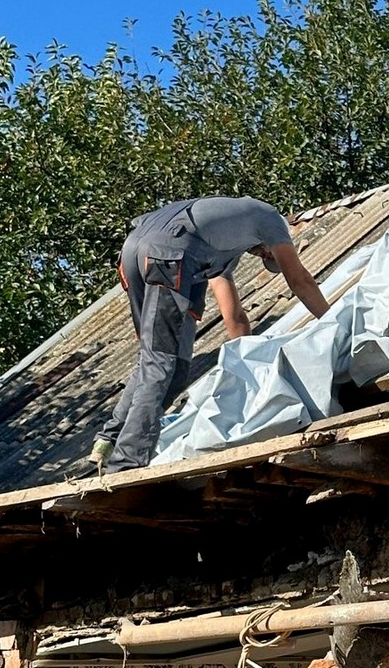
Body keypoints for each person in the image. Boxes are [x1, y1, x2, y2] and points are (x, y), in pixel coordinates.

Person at [88, 196, 329, 473]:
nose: (264, 256)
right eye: (268, 255)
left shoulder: (221, 246)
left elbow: (235, 317)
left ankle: (109, 440)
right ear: (276, 242)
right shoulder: (270, 217)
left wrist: (248, 369)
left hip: (137, 250)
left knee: (170, 365)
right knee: (161, 363)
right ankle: (125, 464)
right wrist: (333, 322)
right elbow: (299, 280)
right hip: (169, 254)